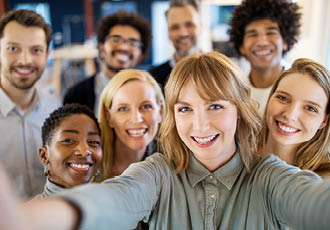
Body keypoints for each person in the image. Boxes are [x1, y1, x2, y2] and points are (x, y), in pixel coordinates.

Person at [2, 52, 330, 230]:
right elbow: (113, 200)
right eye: (185, 108)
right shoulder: (158, 172)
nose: (199, 124)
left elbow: (314, 201)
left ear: (240, 111)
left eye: (215, 105)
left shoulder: (270, 175)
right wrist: (27, 219)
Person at [0, 9, 60, 198]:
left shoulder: (56, 109)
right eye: (13, 48)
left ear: (47, 54)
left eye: (36, 50)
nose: (25, 60)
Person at [63, 10, 151, 115]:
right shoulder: (76, 96)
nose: (123, 47)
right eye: (115, 39)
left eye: (132, 42)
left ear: (142, 54)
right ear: (101, 48)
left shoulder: (152, 93)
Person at [259, 58, 330, 177]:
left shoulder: (324, 182)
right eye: (282, 98)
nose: (290, 115)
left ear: (324, 121)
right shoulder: (237, 150)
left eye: (310, 108)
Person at [229, 0, 301, 113]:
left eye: (271, 33)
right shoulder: (232, 93)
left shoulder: (300, 89)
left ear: (285, 42)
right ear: (241, 46)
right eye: (252, 34)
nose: (262, 42)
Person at [97, 69, 164, 180]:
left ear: (159, 112)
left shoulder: (172, 165)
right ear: (109, 117)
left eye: (146, 106)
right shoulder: (90, 163)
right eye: (123, 109)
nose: (136, 119)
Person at [35, 103, 102, 198]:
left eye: (94, 142)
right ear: (44, 155)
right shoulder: (26, 212)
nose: (84, 151)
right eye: (68, 141)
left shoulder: (113, 206)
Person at [148, 0, 201, 88]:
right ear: (168, 33)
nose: (183, 33)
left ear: (200, 27)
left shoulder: (219, 71)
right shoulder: (153, 78)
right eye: (175, 27)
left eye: (189, 24)